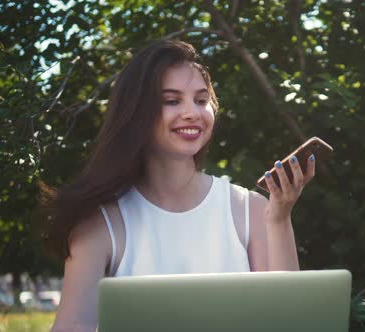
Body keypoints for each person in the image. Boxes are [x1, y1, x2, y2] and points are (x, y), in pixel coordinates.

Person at [42, 39, 316, 332]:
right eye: (172, 100)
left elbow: (288, 322)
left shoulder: (252, 210)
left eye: (201, 100)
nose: (192, 113)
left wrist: (279, 218)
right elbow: (72, 327)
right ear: (137, 113)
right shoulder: (100, 224)